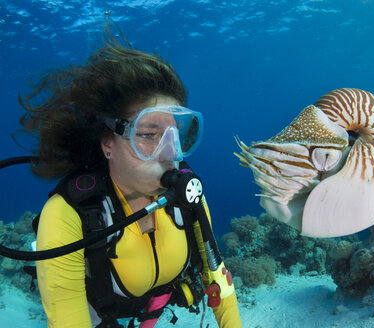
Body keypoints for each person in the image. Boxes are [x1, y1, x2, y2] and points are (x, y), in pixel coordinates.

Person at [18, 19, 242, 328]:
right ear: (108, 142)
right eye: (149, 135)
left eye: (175, 136)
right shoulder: (69, 213)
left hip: (154, 302)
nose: (169, 153)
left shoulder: (189, 200)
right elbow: (67, 318)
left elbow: (217, 276)